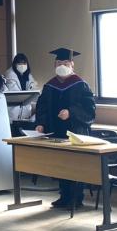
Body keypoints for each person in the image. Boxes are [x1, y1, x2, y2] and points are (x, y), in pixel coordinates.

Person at [35, 48, 96, 209]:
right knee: (61, 164)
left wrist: (71, 112)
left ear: (72, 65)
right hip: (56, 131)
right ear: (54, 65)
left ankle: (76, 198)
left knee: (75, 165)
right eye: (59, 63)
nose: (62, 66)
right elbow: (42, 107)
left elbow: (90, 110)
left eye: (66, 63)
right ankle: (64, 196)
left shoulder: (81, 85)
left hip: (76, 132)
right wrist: (40, 123)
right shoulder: (50, 86)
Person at [4, 53, 38, 122]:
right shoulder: (9, 76)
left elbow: (34, 92)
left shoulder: (29, 77)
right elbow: (13, 94)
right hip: (12, 113)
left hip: (26, 113)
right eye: (19, 63)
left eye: (24, 63)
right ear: (15, 64)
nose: (22, 66)